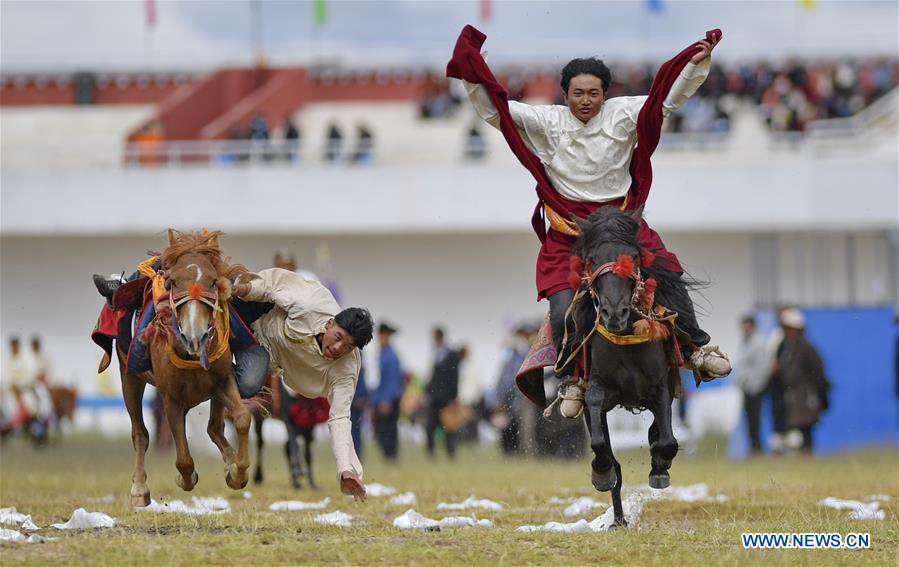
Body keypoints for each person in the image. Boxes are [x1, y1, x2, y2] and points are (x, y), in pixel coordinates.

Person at [453, 29, 731, 419]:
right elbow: (495, 110)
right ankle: (570, 381)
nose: (586, 101)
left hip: (620, 227)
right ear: (565, 94)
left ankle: (698, 348)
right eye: (578, 94)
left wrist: (695, 62)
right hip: (569, 233)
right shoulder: (545, 121)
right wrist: (471, 73)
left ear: (606, 93)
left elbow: (668, 99)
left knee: (669, 272)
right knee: (562, 304)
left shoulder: (625, 112)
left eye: (594, 93)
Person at [92, 265, 373, 500]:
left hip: (266, 354)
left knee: (248, 384)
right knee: (209, 288)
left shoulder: (347, 369)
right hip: (257, 316)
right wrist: (241, 290)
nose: (338, 349)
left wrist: (346, 469)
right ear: (329, 325)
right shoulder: (310, 302)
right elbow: (269, 289)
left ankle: (212, 410)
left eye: (348, 347)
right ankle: (125, 288)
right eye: (338, 338)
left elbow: (340, 418)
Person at [777, 308, 830, 453]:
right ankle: (804, 454)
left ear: (797, 329)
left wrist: (818, 392)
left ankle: (808, 453)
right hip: (795, 393)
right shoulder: (790, 347)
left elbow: (818, 369)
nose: (786, 332)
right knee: (799, 427)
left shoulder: (806, 347)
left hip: (806, 393)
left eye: (789, 328)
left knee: (806, 426)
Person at [733, 315, 770, 455]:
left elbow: (762, 367)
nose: (744, 329)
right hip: (747, 388)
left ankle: (757, 448)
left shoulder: (758, 343)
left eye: (746, 326)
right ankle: (754, 447)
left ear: (753, 326)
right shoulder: (745, 342)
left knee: (755, 420)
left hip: (755, 389)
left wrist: (755, 386)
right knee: (749, 420)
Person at [424, 326, 460, 458]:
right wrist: (427, 392)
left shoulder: (451, 355)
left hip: (446, 399)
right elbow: (432, 377)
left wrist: (454, 397)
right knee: (429, 427)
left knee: (449, 427)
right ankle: (431, 452)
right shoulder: (435, 354)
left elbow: (455, 377)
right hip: (434, 398)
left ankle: (451, 453)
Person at [370, 322, 404, 461]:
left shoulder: (391, 356)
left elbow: (391, 380)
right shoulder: (383, 353)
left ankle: (391, 455)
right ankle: (388, 455)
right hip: (382, 397)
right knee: (383, 428)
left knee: (388, 429)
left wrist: (386, 400)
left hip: (389, 399)